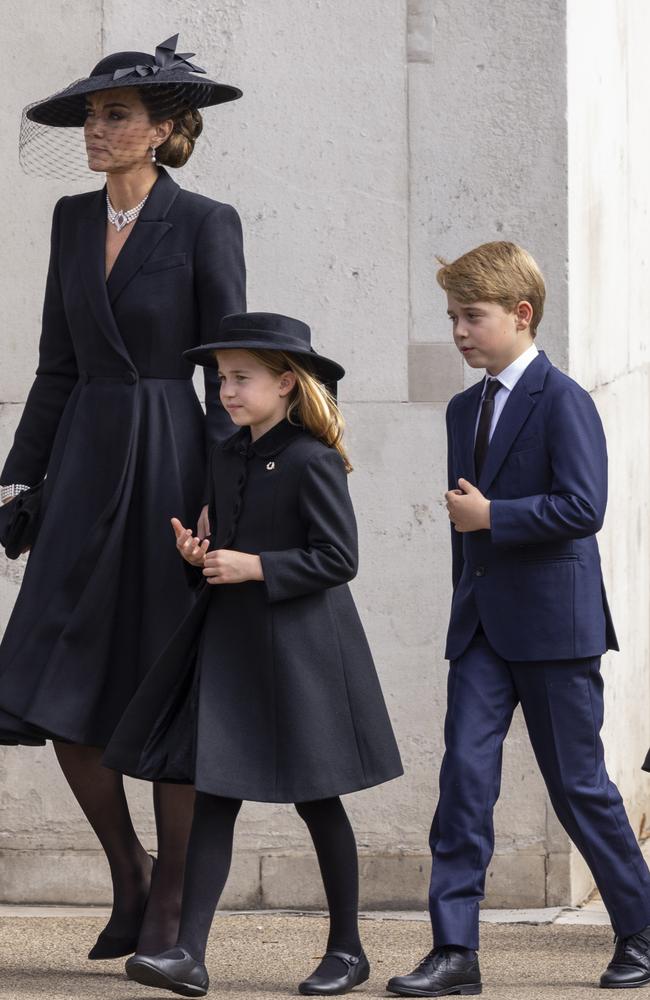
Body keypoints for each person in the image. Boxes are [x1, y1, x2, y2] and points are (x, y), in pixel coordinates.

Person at [0, 35, 246, 960]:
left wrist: (227, 492)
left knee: (161, 681)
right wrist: (18, 478)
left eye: (115, 117)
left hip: (170, 464)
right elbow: (54, 365)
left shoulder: (207, 223)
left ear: (166, 130)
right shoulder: (69, 221)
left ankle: (175, 908)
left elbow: (230, 370)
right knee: (50, 683)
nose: (96, 131)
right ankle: (129, 871)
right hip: (81, 459)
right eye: (92, 117)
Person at [103, 311, 403, 997]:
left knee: (317, 800)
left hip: (302, 654)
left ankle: (348, 950)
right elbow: (224, 550)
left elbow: (338, 557)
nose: (227, 391)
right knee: (215, 793)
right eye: (220, 379)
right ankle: (190, 954)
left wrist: (254, 567)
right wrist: (199, 559)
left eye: (241, 379)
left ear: (287, 385)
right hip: (234, 647)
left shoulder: (313, 460)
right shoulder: (228, 454)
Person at [387, 242, 650, 996]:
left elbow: (583, 507)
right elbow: (462, 532)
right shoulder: (463, 408)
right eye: (452, 317)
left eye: (472, 316)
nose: (459, 331)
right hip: (480, 627)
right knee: (464, 780)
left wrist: (492, 514)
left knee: (579, 786)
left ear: (521, 314)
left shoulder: (563, 398)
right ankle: (455, 952)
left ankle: (641, 927)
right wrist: (464, 587)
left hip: (554, 625)